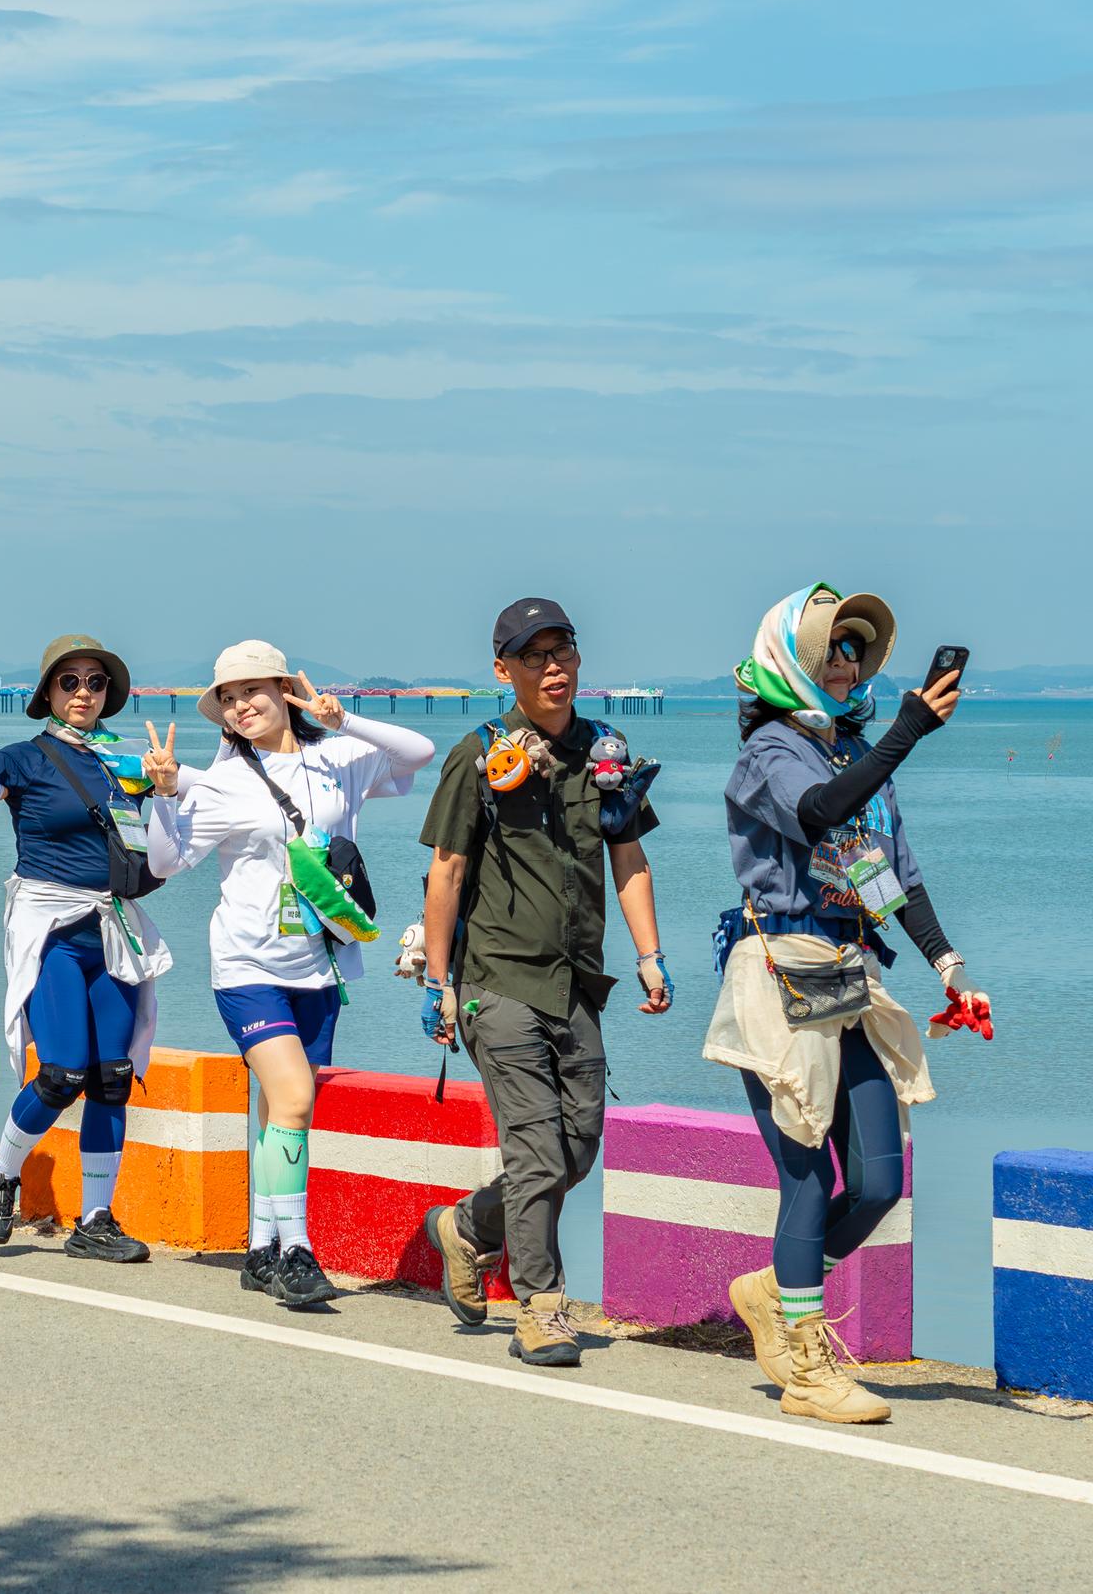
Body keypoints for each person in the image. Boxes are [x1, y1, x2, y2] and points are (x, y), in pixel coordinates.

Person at [709, 584, 980, 1424]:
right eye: (831, 645)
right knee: (806, 1176)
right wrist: (908, 731)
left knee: (877, 1178)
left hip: (847, 973)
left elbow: (892, 875)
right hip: (779, 971)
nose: (847, 660)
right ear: (790, 656)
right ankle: (808, 1369)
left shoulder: (851, 750)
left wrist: (949, 966)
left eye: (856, 649)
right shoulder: (771, 753)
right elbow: (819, 813)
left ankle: (775, 1291)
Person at [140, 641, 436, 1307]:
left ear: (284, 688)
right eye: (229, 697)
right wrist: (163, 796)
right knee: (296, 1097)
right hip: (247, 966)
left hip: (319, 967)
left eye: (254, 690)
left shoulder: (339, 760)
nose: (243, 705)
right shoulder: (221, 781)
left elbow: (417, 751)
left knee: (282, 1109)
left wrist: (345, 719)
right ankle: (298, 1250)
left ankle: (261, 1247)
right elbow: (164, 861)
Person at [414, 598, 669, 1368]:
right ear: (504, 670)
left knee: (577, 1148)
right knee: (536, 1152)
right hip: (498, 982)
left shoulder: (608, 752)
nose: (552, 666)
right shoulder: (478, 754)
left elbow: (626, 858)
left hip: (576, 984)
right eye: (534, 655)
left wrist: (651, 955)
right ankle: (541, 1306)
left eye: (563, 650)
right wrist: (438, 981)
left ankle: (465, 1229)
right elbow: (448, 869)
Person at [0, 636, 171, 1263]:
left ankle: (95, 1220)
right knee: (61, 1072)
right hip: (53, 929)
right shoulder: (23, 760)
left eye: (95, 681)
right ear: (48, 694)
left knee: (112, 1076)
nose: (84, 691)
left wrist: (168, 792)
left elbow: (168, 854)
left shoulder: (128, 764)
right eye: (70, 682)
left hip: (111, 927)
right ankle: (2, 1172)